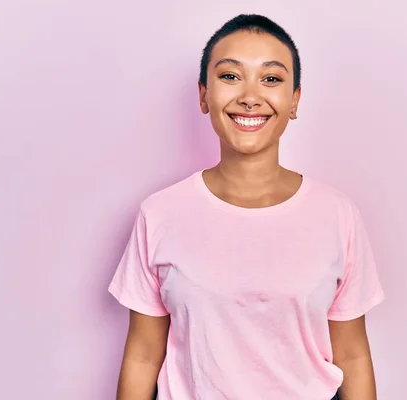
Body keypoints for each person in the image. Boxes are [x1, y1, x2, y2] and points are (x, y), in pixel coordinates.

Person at [108, 14, 385, 400]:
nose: (250, 96)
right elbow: (142, 355)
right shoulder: (159, 214)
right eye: (230, 76)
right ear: (204, 96)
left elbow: (352, 355)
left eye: (271, 78)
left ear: (294, 100)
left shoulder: (338, 215)